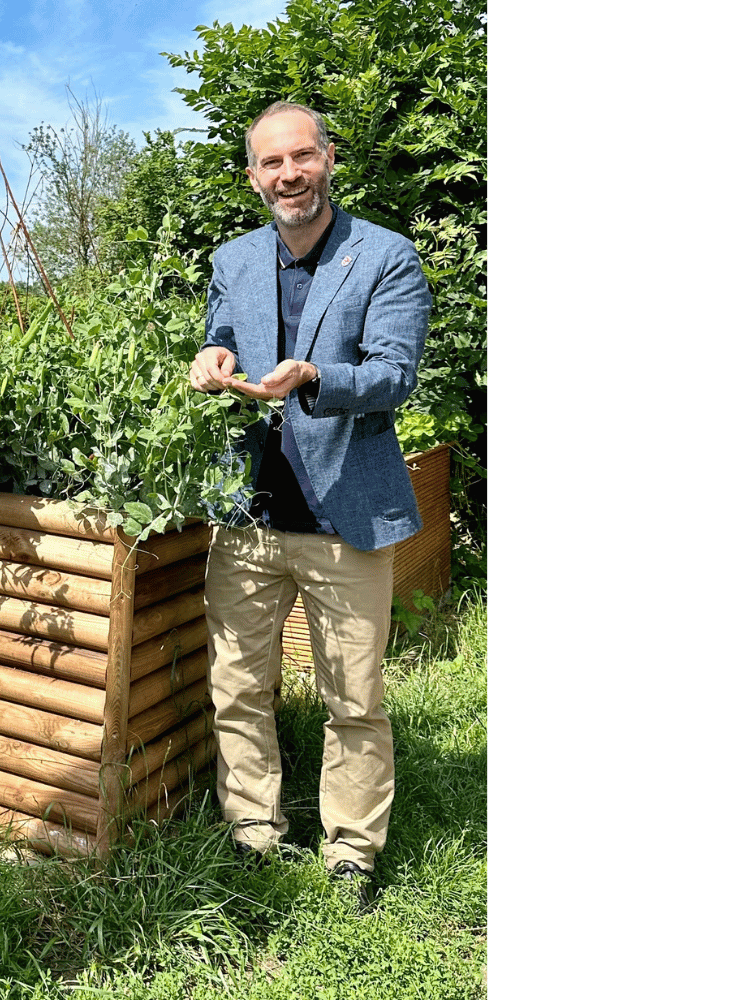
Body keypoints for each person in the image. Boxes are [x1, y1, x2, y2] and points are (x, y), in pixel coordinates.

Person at [187, 101, 431, 905]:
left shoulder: (385, 256)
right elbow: (221, 330)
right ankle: (254, 829)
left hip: (344, 515)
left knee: (354, 698)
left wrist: (318, 377)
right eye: (272, 163)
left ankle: (353, 850)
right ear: (253, 176)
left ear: (329, 158)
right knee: (239, 685)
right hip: (249, 512)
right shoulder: (235, 258)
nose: (289, 174)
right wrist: (212, 355)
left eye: (303, 157)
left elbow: (396, 372)